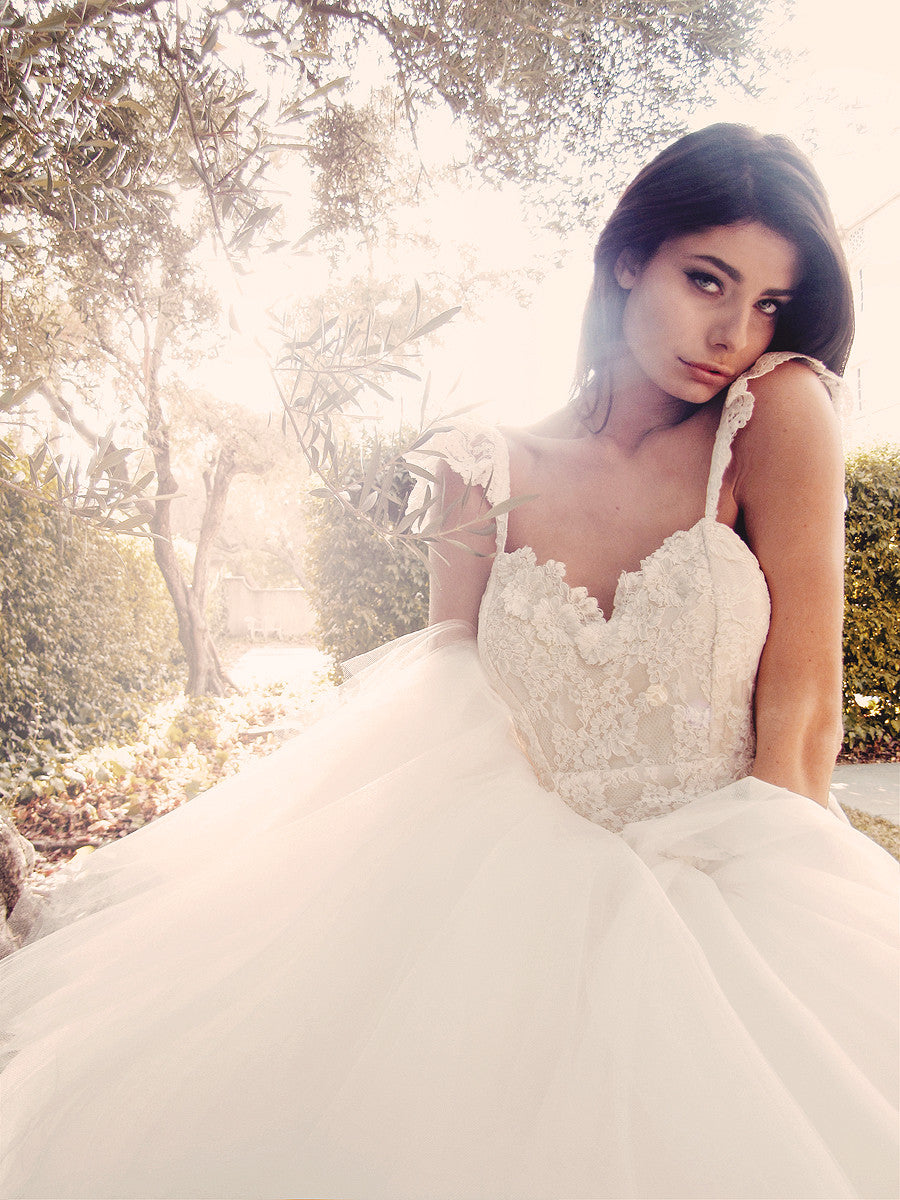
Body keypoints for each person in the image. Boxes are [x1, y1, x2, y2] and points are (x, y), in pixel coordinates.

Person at [0, 124, 897, 1200]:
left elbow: (802, 711)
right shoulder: (485, 466)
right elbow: (442, 707)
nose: (733, 332)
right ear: (627, 259)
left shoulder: (775, 413)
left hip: (744, 884)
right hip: (524, 898)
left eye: (767, 304)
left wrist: (768, 930)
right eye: (707, 279)